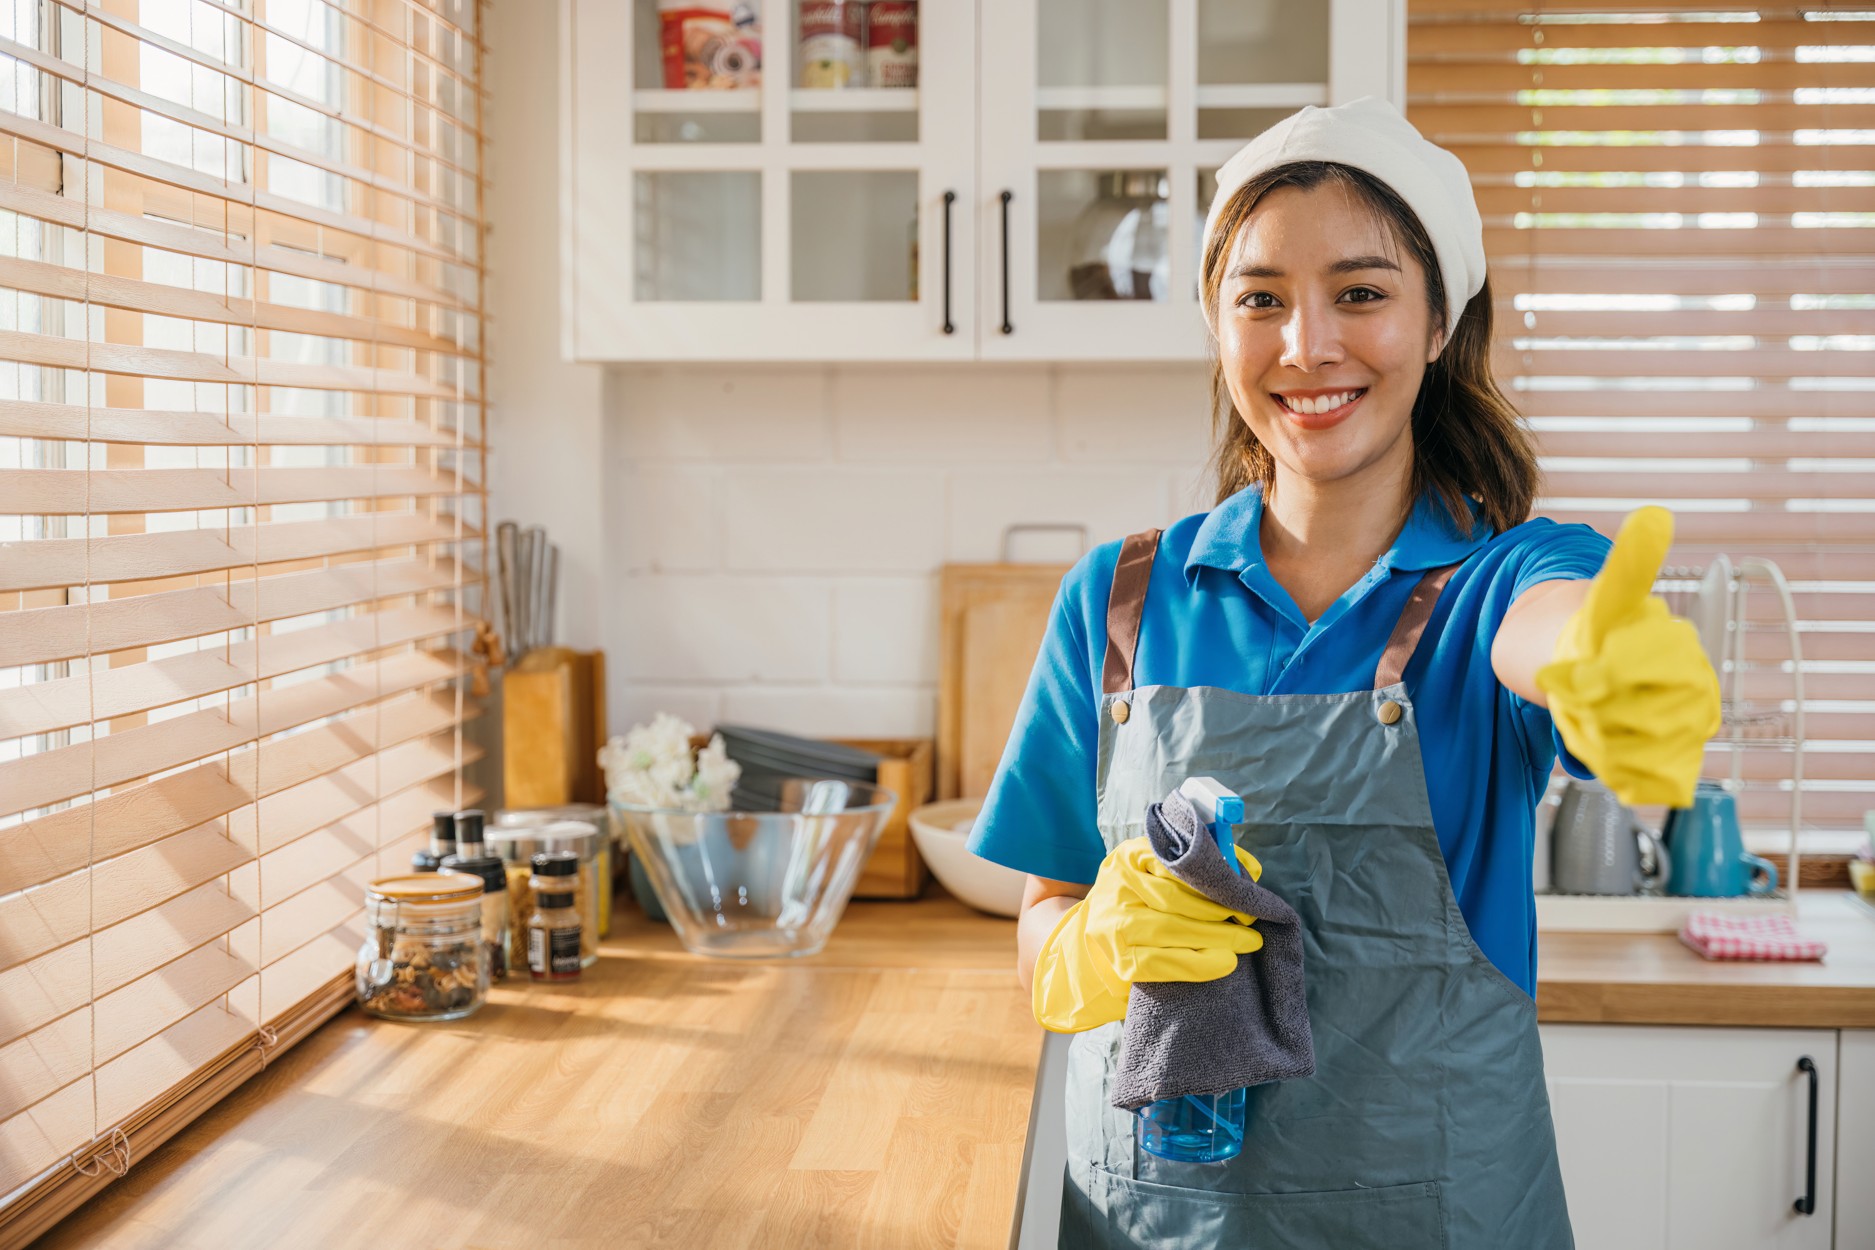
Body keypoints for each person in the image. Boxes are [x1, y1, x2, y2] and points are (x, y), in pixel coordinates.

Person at [964, 97, 1720, 1249]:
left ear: (1437, 324)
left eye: (1360, 293)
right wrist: (1087, 948)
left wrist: (1596, 658)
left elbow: (1555, 620)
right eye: (1260, 296)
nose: (1306, 345)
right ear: (1218, 325)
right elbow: (1043, 916)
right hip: (1151, 1221)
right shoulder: (1117, 600)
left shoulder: (1495, 582)